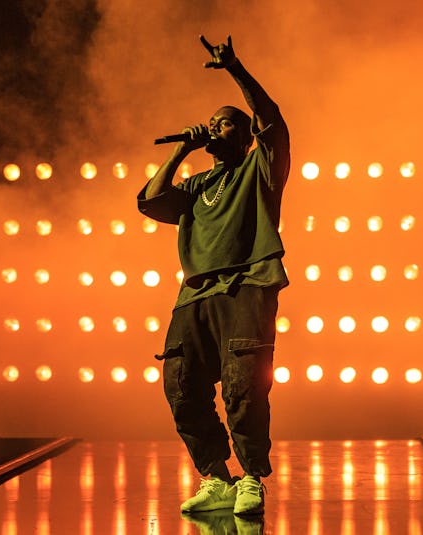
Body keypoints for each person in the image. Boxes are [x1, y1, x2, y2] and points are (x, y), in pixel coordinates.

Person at [137, 34, 290, 516]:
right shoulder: (198, 183)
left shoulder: (261, 168)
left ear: (245, 138)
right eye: (213, 123)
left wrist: (236, 70)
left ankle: (251, 479)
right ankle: (216, 477)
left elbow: (273, 120)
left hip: (246, 285)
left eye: (226, 124)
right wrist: (183, 150)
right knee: (181, 386)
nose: (215, 128)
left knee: (244, 384)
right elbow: (151, 201)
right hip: (196, 295)